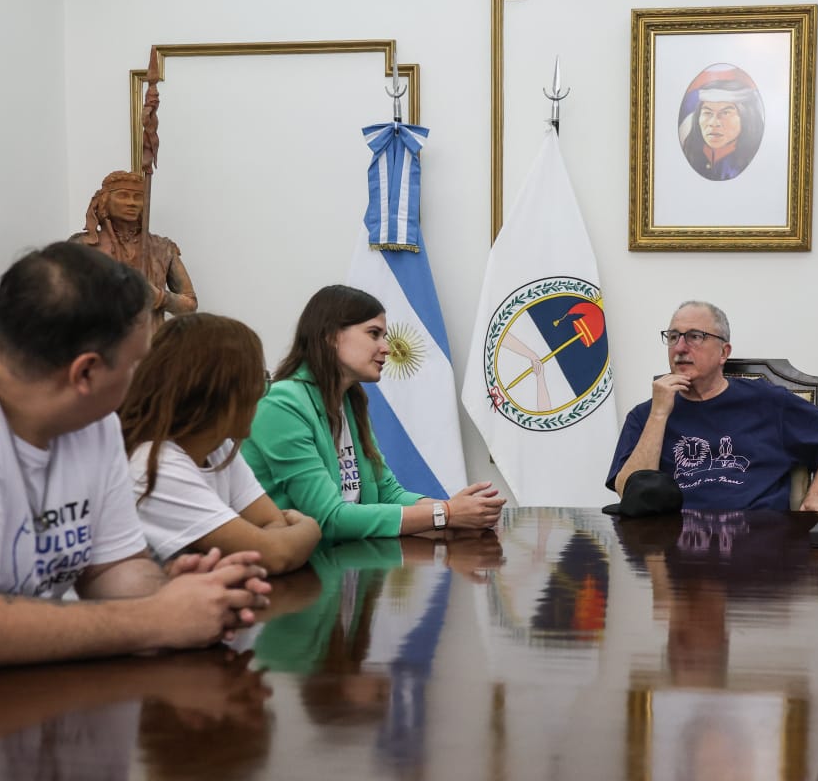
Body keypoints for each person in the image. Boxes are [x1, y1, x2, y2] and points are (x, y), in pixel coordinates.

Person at [0, 242, 269, 680]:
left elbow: (114, 567)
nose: (142, 378)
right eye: (136, 363)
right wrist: (157, 619)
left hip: (17, 695)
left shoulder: (90, 420)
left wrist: (180, 592)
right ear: (86, 373)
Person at [243, 284, 505, 541]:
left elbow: (387, 493)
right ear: (331, 335)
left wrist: (464, 511)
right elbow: (327, 519)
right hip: (292, 574)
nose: (387, 348)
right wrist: (445, 514)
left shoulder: (350, 400)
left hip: (346, 564)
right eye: (373, 334)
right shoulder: (281, 405)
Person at [120, 313, 321, 574]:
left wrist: (263, 544)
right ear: (219, 389)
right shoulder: (156, 465)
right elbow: (275, 555)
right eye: (256, 380)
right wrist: (311, 529)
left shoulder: (219, 447)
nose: (260, 394)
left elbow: (271, 524)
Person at [606, 301, 818, 511]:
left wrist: (817, 496)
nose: (680, 348)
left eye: (694, 336)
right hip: (674, 548)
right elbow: (628, 494)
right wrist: (659, 415)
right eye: (673, 337)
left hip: (760, 547)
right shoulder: (644, 416)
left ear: (724, 352)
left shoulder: (769, 402)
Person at [70, 169, 198, 321]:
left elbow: (190, 305)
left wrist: (159, 297)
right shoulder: (82, 246)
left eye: (138, 197)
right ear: (105, 201)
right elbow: (64, 298)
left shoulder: (163, 248)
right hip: (101, 339)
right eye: (123, 196)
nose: (131, 203)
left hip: (150, 340)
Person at [677, 64, 766, 182]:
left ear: (745, 117)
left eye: (725, 113)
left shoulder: (753, 160)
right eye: (707, 113)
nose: (714, 123)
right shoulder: (691, 153)